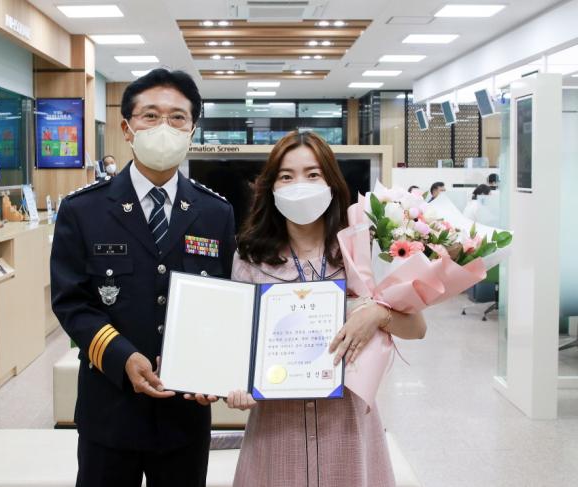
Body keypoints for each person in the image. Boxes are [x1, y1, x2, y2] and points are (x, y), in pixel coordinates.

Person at [51, 68, 236, 487]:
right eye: (150, 116)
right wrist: (121, 356)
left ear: (192, 131)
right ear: (127, 128)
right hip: (109, 405)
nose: (164, 127)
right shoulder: (84, 210)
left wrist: (214, 365)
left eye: (178, 117)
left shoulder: (215, 212)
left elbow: (226, 300)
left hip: (185, 412)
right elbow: (72, 301)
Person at [227, 130, 427, 487]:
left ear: (331, 184)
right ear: (271, 188)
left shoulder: (362, 248)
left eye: (312, 174)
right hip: (277, 426)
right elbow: (236, 342)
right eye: (286, 176)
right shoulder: (250, 257)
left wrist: (377, 315)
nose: (299, 186)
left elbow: (417, 328)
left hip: (348, 423)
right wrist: (235, 384)